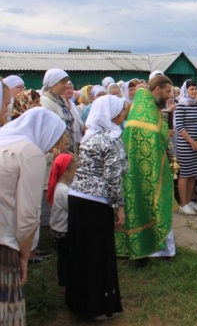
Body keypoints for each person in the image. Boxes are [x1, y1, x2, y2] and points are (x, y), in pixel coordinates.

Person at [0, 107, 66, 325]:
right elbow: (27, 215)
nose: (53, 147)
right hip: (4, 241)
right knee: (6, 312)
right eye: (55, 139)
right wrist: (24, 255)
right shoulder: (30, 153)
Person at [66, 95, 128, 321]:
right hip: (96, 202)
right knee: (98, 253)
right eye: (121, 110)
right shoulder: (110, 139)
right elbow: (112, 177)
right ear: (112, 113)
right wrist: (118, 206)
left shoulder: (89, 136)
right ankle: (97, 306)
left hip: (77, 198)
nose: (124, 113)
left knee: (81, 251)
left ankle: (79, 302)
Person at [115, 75, 176, 261]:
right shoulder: (147, 109)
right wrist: (166, 135)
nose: (168, 97)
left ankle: (159, 246)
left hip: (144, 165)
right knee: (151, 204)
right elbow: (157, 135)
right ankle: (158, 247)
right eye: (166, 92)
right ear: (157, 89)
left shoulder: (146, 106)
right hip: (148, 167)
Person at [47, 153, 77, 295]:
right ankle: (66, 284)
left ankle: (64, 282)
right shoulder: (63, 190)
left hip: (58, 228)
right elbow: (72, 208)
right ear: (65, 171)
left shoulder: (59, 187)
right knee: (66, 258)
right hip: (63, 230)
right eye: (74, 170)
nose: (75, 173)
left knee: (63, 257)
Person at [175, 80, 197, 215]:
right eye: (192, 89)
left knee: (193, 174)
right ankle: (183, 203)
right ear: (186, 90)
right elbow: (180, 127)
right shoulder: (181, 105)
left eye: (195, 89)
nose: (194, 92)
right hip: (185, 146)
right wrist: (192, 142)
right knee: (185, 174)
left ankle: (188, 201)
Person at [41, 68, 75, 153]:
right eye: (62, 83)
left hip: (68, 146)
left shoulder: (61, 100)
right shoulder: (45, 101)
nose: (66, 86)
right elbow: (49, 128)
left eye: (66, 82)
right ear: (53, 84)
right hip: (57, 150)